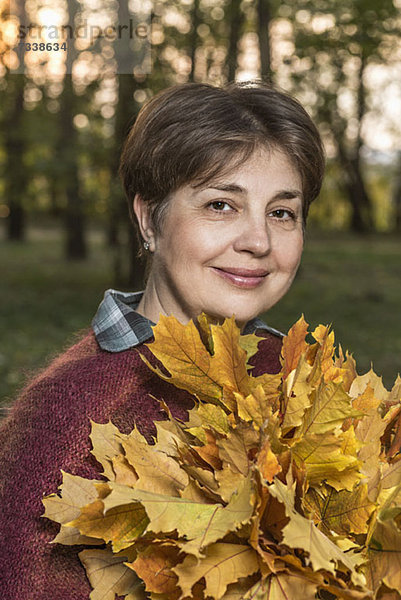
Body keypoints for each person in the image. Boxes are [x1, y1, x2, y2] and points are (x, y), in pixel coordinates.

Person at [0, 81, 325, 599]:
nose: (258, 241)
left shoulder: (307, 381)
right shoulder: (68, 414)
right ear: (149, 217)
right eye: (221, 205)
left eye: (282, 212)